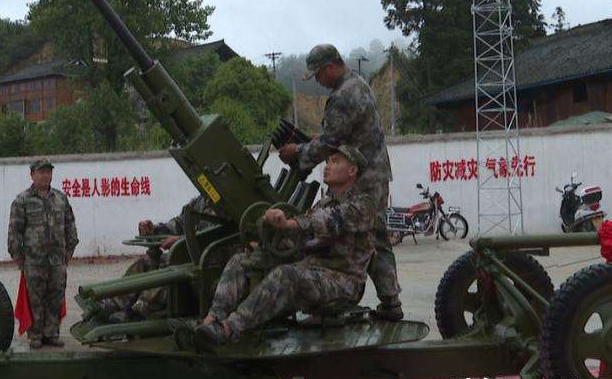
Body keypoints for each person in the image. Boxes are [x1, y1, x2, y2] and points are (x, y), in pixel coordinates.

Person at [194, 144, 375, 344]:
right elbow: (299, 241)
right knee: (241, 261)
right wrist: (265, 246)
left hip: (344, 280)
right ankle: (211, 320)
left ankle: (229, 329)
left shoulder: (363, 205)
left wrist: (289, 223)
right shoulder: (324, 202)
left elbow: (330, 221)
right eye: (328, 161)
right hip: (313, 268)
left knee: (287, 275)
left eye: (335, 161)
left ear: (352, 170)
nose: (327, 166)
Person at [277, 43, 403, 320]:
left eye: (319, 75)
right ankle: (390, 301)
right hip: (373, 171)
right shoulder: (357, 83)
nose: (319, 82)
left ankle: (383, 301)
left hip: (362, 177)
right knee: (373, 236)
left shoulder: (343, 95)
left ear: (330, 67)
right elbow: (337, 135)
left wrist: (296, 153)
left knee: (371, 235)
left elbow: (330, 141)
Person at [97, 194, 219, 323]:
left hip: (210, 259)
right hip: (188, 255)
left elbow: (213, 235)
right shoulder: (201, 201)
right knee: (144, 263)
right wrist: (155, 229)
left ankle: (138, 312)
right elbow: (179, 223)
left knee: (167, 269)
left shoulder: (224, 205)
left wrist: (181, 240)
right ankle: (115, 303)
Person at [7, 158, 79, 349]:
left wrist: (69, 250)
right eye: (42, 172)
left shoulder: (60, 198)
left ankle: (52, 333)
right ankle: (36, 335)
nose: (46, 175)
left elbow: (70, 225)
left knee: (55, 296)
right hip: (33, 261)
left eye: (48, 171)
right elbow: (14, 231)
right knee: (35, 298)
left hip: (57, 260)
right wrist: (18, 257)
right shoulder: (22, 200)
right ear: (32, 174)